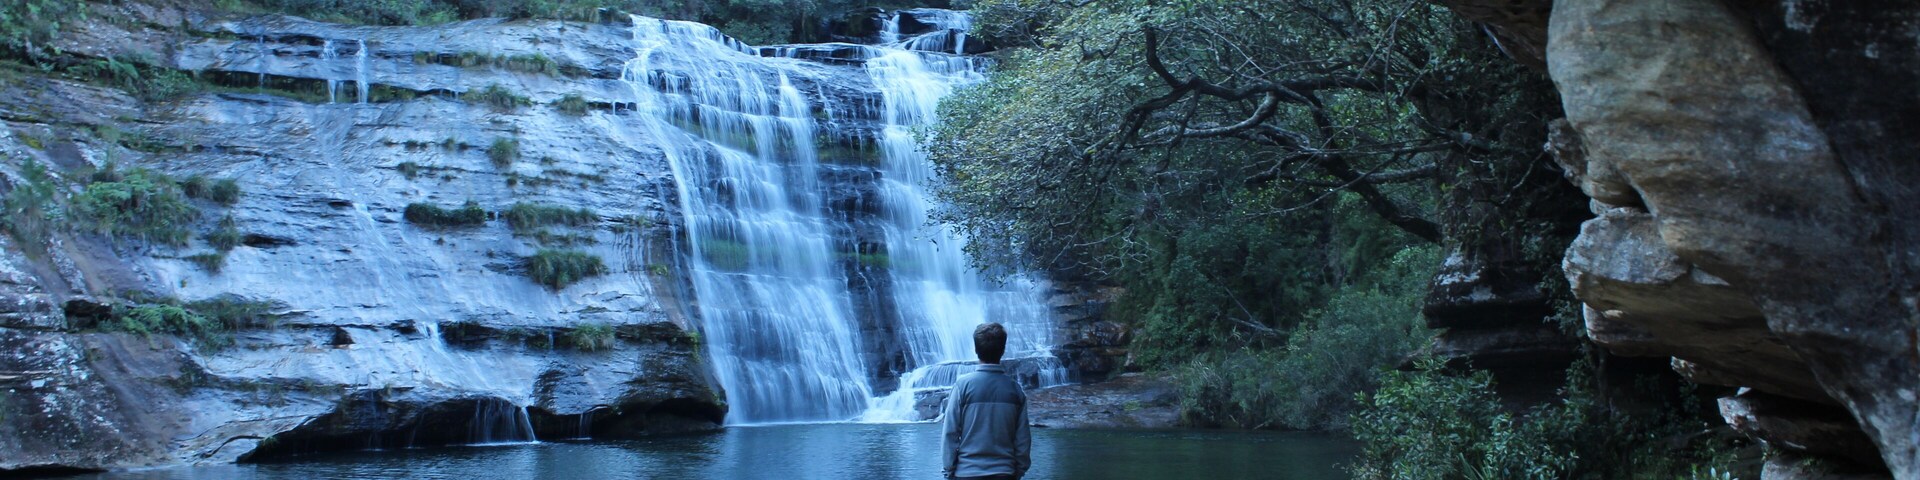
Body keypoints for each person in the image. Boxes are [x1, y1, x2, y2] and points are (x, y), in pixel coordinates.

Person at [940, 322, 1032, 479]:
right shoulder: (1015, 390)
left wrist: (949, 471)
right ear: (1003, 350)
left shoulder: (962, 387)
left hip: (966, 473)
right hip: (1004, 473)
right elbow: (1023, 440)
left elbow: (950, 433)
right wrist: (1018, 471)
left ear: (976, 350)